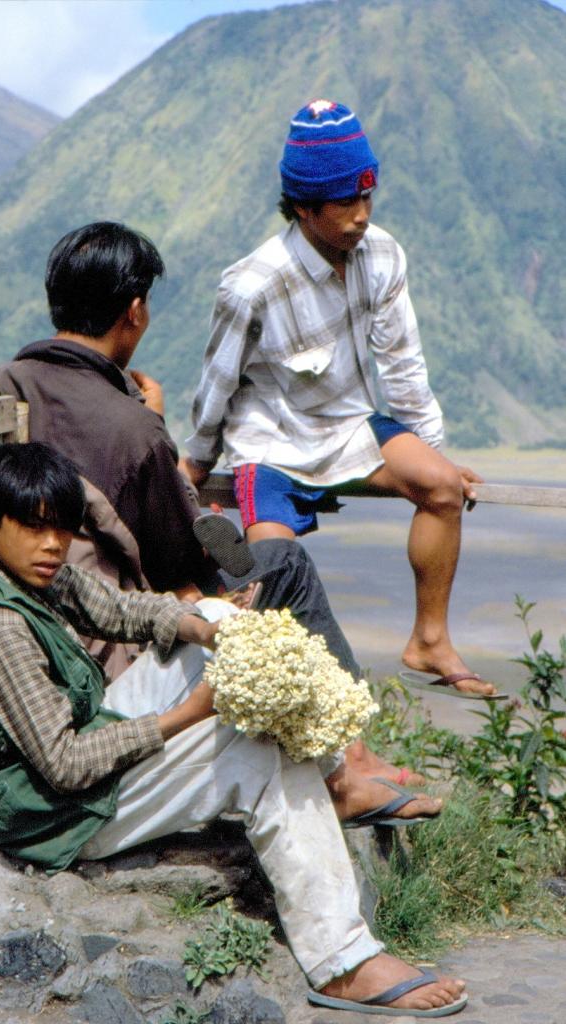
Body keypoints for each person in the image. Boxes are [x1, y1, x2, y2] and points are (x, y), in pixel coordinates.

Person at [0, 442, 467, 1017]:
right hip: (54, 816)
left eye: (62, 530)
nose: (53, 545)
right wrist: (190, 715)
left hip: (77, 763)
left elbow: (122, 611)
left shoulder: (26, 570)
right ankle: (342, 962)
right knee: (257, 751)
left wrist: (203, 627)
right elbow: (65, 763)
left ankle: (334, 772)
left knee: (220, 620)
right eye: (36, 527)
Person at [0, 219, 430, 793]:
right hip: (101, 640)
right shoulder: (131, 425)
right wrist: (156, 432)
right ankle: (351, 762)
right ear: (135, 311)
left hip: (14, 617)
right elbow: (188, 546)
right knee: (283, 566)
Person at [181, 99, 497, 698]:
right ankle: (299, 690)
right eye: (345, 203)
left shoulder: (382, 254)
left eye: (367, 199)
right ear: (303, 207)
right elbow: (217, 380)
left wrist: (432, 452)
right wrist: (193, 464)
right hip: (271, 437)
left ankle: (429, 640)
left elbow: (403, 363)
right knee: (273, 567)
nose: (360, 217)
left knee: (442, 488)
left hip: (350, 424)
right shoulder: (253, 284)